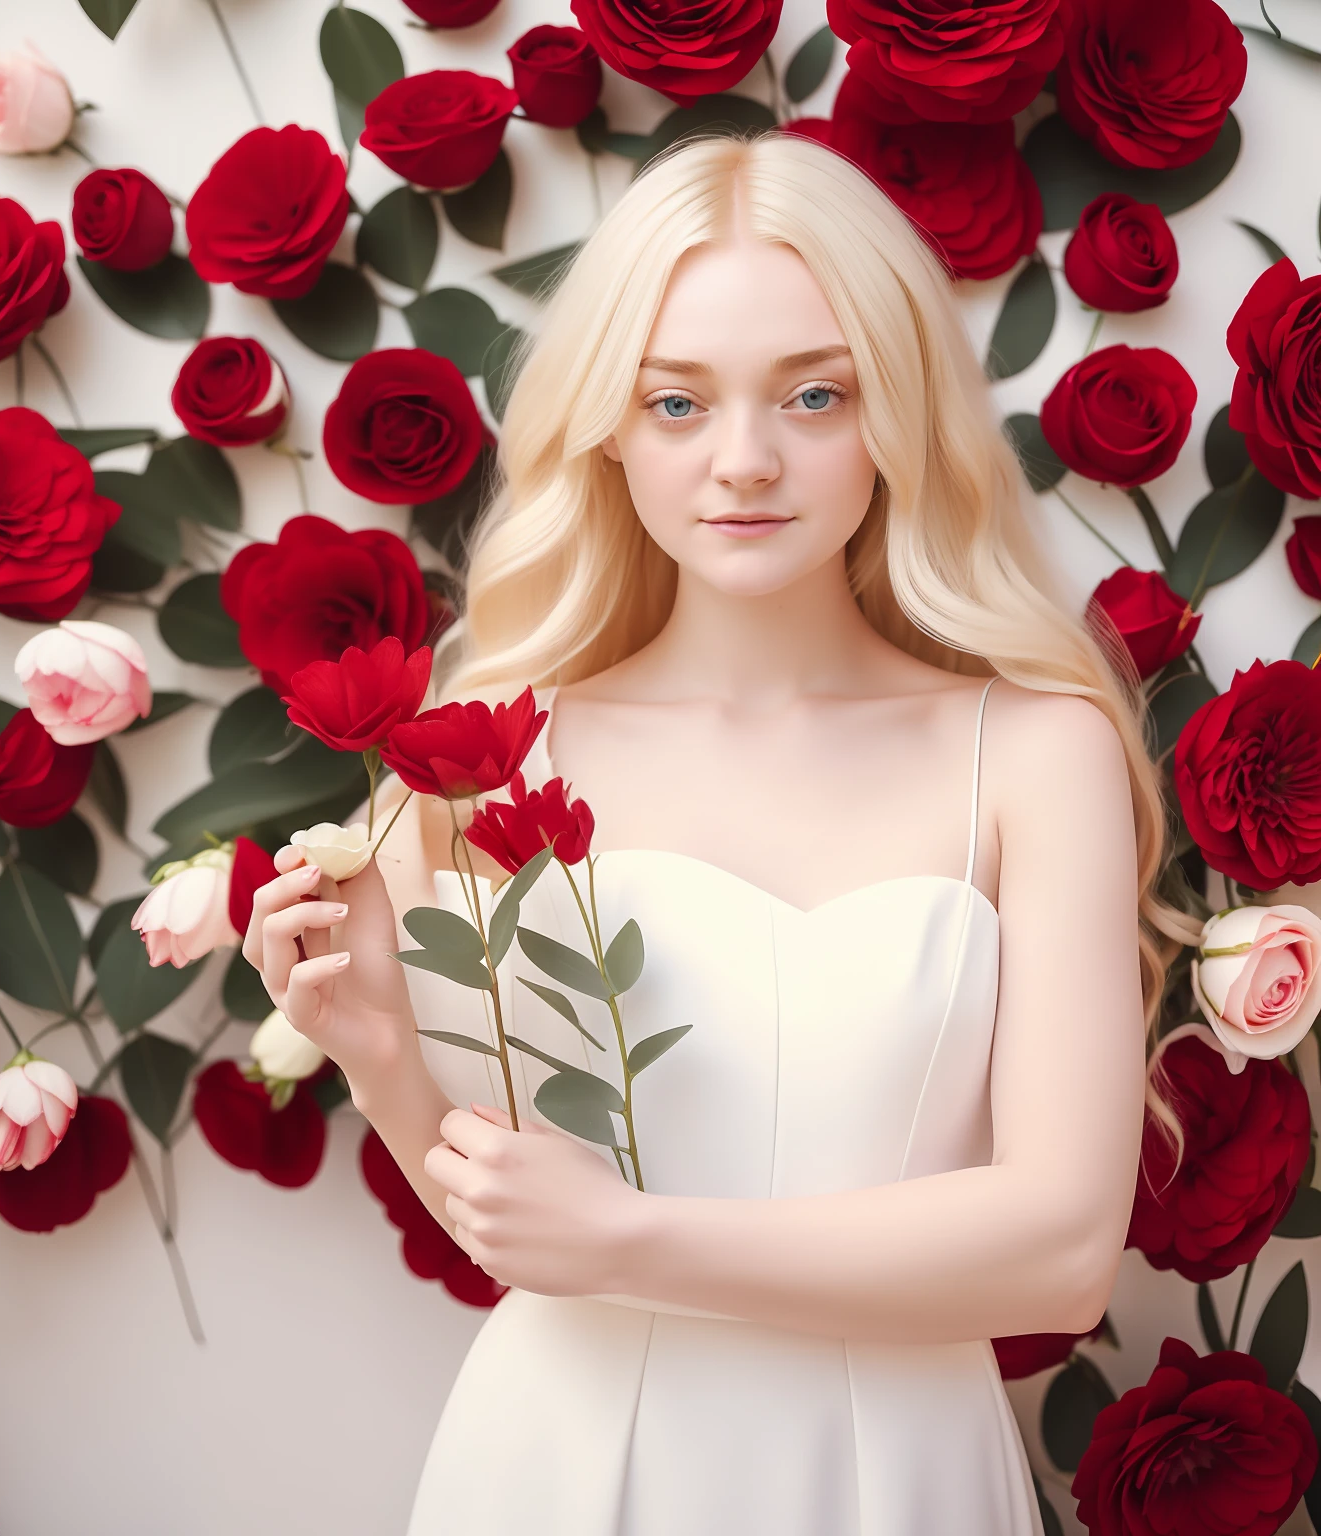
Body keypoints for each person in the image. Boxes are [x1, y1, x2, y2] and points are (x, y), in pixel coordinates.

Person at [241, 131, 1195, 1534]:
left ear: (897, 411)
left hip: (899, 1472)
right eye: (676, 403)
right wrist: (378, 1047)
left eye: (814, 394)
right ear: (609, 426)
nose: (744, 461)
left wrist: (637, 1239)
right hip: (558, 1462)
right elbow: (517, 1228)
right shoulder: (498, 739)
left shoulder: (1035, 750)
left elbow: (1059, 1255)